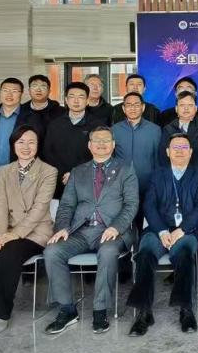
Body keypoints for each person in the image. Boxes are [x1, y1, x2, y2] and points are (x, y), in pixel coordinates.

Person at [44, 127, 139, 335]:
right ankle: (67, 309)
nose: (101, 144)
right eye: (97, 140)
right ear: (89, 145)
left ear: (113, 145)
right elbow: (66, 205)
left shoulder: (126, 170)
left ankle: (100, 310)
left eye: (106, 140)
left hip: (113, 231)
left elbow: (131, 204)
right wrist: (62, 228)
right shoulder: (78, 172)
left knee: (108, 251)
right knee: (51, 252)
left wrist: (116, 226)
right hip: (81, 231)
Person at [0, 125, 56, 336]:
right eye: (20, 142)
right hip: (6, 230)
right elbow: (0, 205)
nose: (26, 147)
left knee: (8, 256)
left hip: (35, 232)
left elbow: (39, 209)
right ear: (13, 145)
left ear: (38, 145)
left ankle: (1, 313)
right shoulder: (4, 171)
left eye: (31, 142)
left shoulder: (48, 171)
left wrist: (14, 235)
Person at [125, 134, 198, 336]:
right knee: (144, 255)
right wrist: (162, 230)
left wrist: (182, 229)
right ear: (168, 152)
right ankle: (144, 312)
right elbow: (149, 205)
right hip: (158, 230)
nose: (179, 151)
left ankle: (185, 310)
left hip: (187, 231)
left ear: (190, 152)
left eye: (184, 147)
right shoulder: (157, 174)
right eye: (175, 147)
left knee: (185, 255)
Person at [43, 82, 100, 199]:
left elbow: (100, 154)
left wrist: (76, 174)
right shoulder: (55, 124)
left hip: (88, 182)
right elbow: (48, 153)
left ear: (87, 101)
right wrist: (63, 174)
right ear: (66, 100)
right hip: (59, 181)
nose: (76, 101)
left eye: (81, 97)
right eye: (72, 96)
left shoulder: (97, 125)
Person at [0, 78, 39, 182]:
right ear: (0, 93)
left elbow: (37, 149)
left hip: (21, 177)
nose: (9, 95)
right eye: (5, 90)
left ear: (21, 94)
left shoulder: (32, 118)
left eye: (14, 91)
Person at [111, 91, 162, 204]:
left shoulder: (155, 130)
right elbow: (111, 158)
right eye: (128, 105)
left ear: (143, 107)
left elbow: (158, 159)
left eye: (136, 104)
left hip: (148, 185)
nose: (132, 108)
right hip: (120, 185)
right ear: (123, 108)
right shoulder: (114, 130)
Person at [159, 91, 198, 175]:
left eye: (190, 105)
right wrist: (175, 173)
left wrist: (190, 173)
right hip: (172, 176)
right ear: (176, 109)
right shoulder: (168, 129)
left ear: (196, 109)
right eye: (182, 105)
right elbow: (163, 155)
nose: (186, 108)